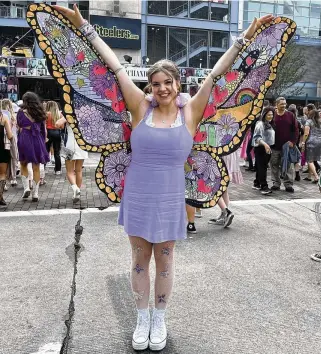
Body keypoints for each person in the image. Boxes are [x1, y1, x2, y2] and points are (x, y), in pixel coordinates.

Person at [52, 4, 273, 351]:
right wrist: (84, 26)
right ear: (150, 86)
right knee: (139, 260)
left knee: (165, 261)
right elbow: (114, 64)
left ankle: (160, 317)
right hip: (138, 194)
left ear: (177, 83)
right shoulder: (140, 106)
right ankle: (142, 317)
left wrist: (245, 38)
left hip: (171, 198)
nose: (161, 88)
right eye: (155, 83)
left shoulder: (192, 112)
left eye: (167, 82)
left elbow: (216, 74)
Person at [17, 92, 49, 201]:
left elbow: (19, 125)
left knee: (23, 164)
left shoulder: (21, 113)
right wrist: (43, 141)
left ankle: (26, 188)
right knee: (36, 167)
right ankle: (35, 193)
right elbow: (44, 130)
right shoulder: (40, 113)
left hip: (25, 138)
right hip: (37, 139)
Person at [55, 115, 88, 203]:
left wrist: (64, 118)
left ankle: (75, 189)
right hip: (82, 144)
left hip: (70, 145)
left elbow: (58, 124)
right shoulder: (83, 115)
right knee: (79, 170)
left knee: (70, 171)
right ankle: (77, 191)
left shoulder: (68, 114)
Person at [270, 97, 299, 193]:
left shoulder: (290, 115)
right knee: (274, 164)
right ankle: (276, 183)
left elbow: (295, 129)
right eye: (281, 104)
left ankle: (288, 184)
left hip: (287, 146)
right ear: (276, 104)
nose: (283, 105)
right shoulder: (272, 115)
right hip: (274, 145)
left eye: (285, 104)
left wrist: (293, 141)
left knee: (288, 165)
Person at [252, 106, 275, 194]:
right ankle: (264, 186)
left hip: (268, 147)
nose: (270, 116)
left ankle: (256, 183)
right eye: (268, 115)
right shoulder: (260, 124)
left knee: (260, 166)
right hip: (261, 148)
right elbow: (257, 138)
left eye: (272, 115)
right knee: (263, 167)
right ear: (264, 114)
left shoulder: (269, 124)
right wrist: (265, 145)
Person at [0, 99, 19, 186]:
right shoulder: (7, 117)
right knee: (13, 158)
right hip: (7, 141)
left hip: (4, 141)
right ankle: (12, 178)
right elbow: (11, 134)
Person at [301, 109, 321, 183]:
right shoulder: (319, 121)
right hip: (319, 142)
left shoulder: (309, 121)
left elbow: (306, 133)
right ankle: (309, 176)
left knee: (309, 160)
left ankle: (316, 176)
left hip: (311, 142)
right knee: (313, 159)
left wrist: (303, 142)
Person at [45, 101, 62, 175]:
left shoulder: (45, 114)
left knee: (46, 151)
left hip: (48, 133)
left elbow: (43, 125)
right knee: (57, 152)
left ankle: (43, 167)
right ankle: (58, 169)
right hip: (57, 132)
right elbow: (62, 126)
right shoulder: (59, 114)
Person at [0, 110, 13, 207]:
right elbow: (10, 135)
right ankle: (0, 197)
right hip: (2, 149)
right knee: (2, 174)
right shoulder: (3, 117)